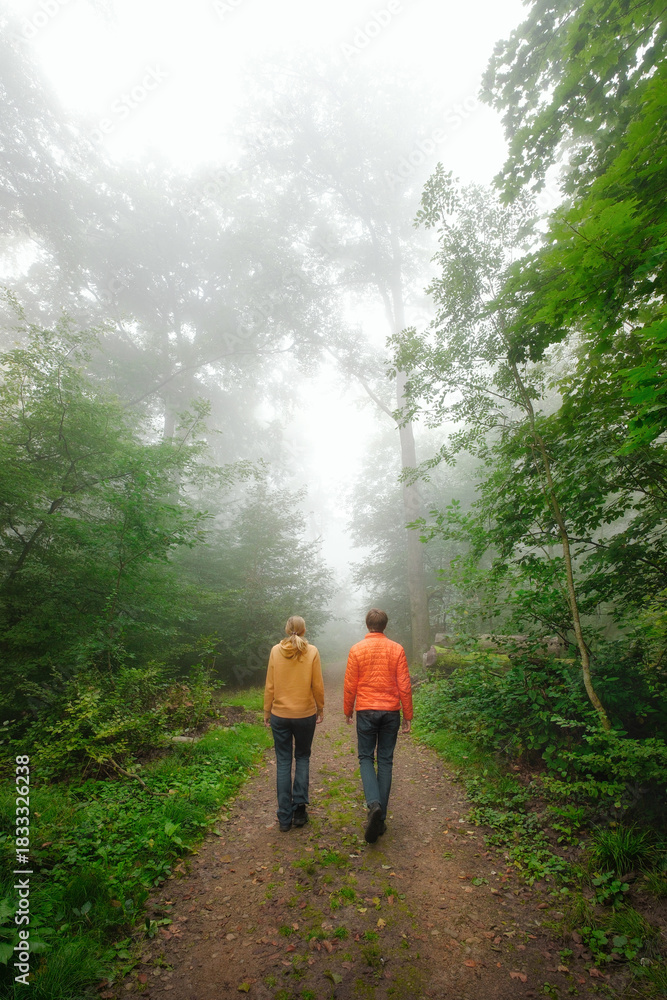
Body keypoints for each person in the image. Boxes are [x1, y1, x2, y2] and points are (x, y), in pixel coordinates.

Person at [344, 608, 413, 843]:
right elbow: (404, 684)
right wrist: (408, 715)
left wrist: (347, 710)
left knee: (365, 757)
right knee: (385, 760)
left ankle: (373, 804)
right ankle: (380, 819)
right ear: (385, 625)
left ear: (367, 625)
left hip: (366, 710)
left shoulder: (356, 649)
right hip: (391, 711)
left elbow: (350, 683)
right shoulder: (397, 649)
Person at [264, 615, 324, 832]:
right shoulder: (312, 651)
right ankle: (299, 811)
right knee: (302, 757)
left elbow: (270, 685)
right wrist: (321, 707)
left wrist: (267, 710)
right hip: (305, 714)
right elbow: (317, 684)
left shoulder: (274, 651)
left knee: (283, 762)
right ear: (304, 630)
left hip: (280, 714)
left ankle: (284, 817)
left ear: (287, 629)